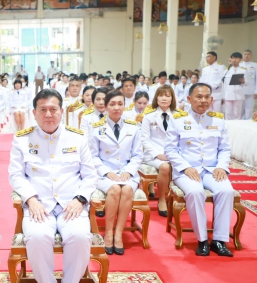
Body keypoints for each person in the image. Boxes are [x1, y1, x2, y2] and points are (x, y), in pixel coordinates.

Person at [8, 88, 98, 283]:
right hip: (39, 205)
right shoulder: (22, 139)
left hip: (71, 205)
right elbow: (16, 175)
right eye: (43, 110)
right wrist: (30, 199)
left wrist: (80, 199)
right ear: (34, 113)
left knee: (79, 237)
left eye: (53, 109)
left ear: (62, 111)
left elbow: (90, 175)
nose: (48, 114)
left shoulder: (76, 138)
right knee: (37, 238)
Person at [165, 83, 234, 257]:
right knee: (195, 192)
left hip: (212, 169)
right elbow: (170, 150)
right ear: (189, 99)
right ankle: (202, 239)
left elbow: (225, 149)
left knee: (226, 191)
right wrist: (185, 167)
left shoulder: (218, 120)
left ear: (211, 99)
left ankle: (219, 240)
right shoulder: (178, 119)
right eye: (199, 97)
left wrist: (221, 167)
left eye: (207, 97)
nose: (203, 101)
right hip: (187, 171)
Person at [88, 90, 143, 255]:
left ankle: (119, 233)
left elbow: (138, 154)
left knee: (126, 189)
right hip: (104, 172)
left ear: (125, 106)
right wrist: (106, 172)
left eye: (120, 104)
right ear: (105, 107)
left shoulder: (133, 127)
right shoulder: (97, 128)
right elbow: (92, 155)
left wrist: (129, 171)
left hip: (127, 171)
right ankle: (109, 233)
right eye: (112, 104)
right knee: (114, 189)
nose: (116, 108)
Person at [141, 85, 177, 217]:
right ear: (156, 97)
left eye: (167, 96)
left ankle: (177, 197)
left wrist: (172, 153)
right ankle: (162, 198)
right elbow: (145, 140)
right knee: (165, 167)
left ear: (172, 98)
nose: (164, 98)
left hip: (173, 152)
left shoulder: (178, 115)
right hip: (153, 154)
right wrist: (158, 154)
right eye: (161, 95)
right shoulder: (149, 116)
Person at [222, 52, 248, 120]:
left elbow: (247, 83)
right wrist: (223, 96)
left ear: (240, 59)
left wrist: (243, 81)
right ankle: (227, 128)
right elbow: (224, 84)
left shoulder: (243, 70)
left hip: (238, 94)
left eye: (236, 58)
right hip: (228, 94)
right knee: (228, 113)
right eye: (232, 58)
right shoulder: (227, 70)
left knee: (237, 114)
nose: (234, 60)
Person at [240, 50, 257, 120]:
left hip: (251, 91)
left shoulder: (255, 65)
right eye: (245, 54)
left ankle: (248, 122)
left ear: (251, 56)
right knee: (240, 109)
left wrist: (256, 91)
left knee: (249, 109)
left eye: (248, 54)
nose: (246, 56)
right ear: (243, 56)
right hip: (240, 91)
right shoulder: (239, 65)